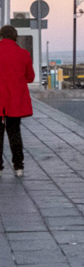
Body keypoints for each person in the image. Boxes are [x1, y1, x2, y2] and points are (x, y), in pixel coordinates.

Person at [0, 25, 34, 177]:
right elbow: (30, 77)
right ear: (15, 36)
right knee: (14, 132)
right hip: (15, 100)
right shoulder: (23, 54)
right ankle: (18, 166)